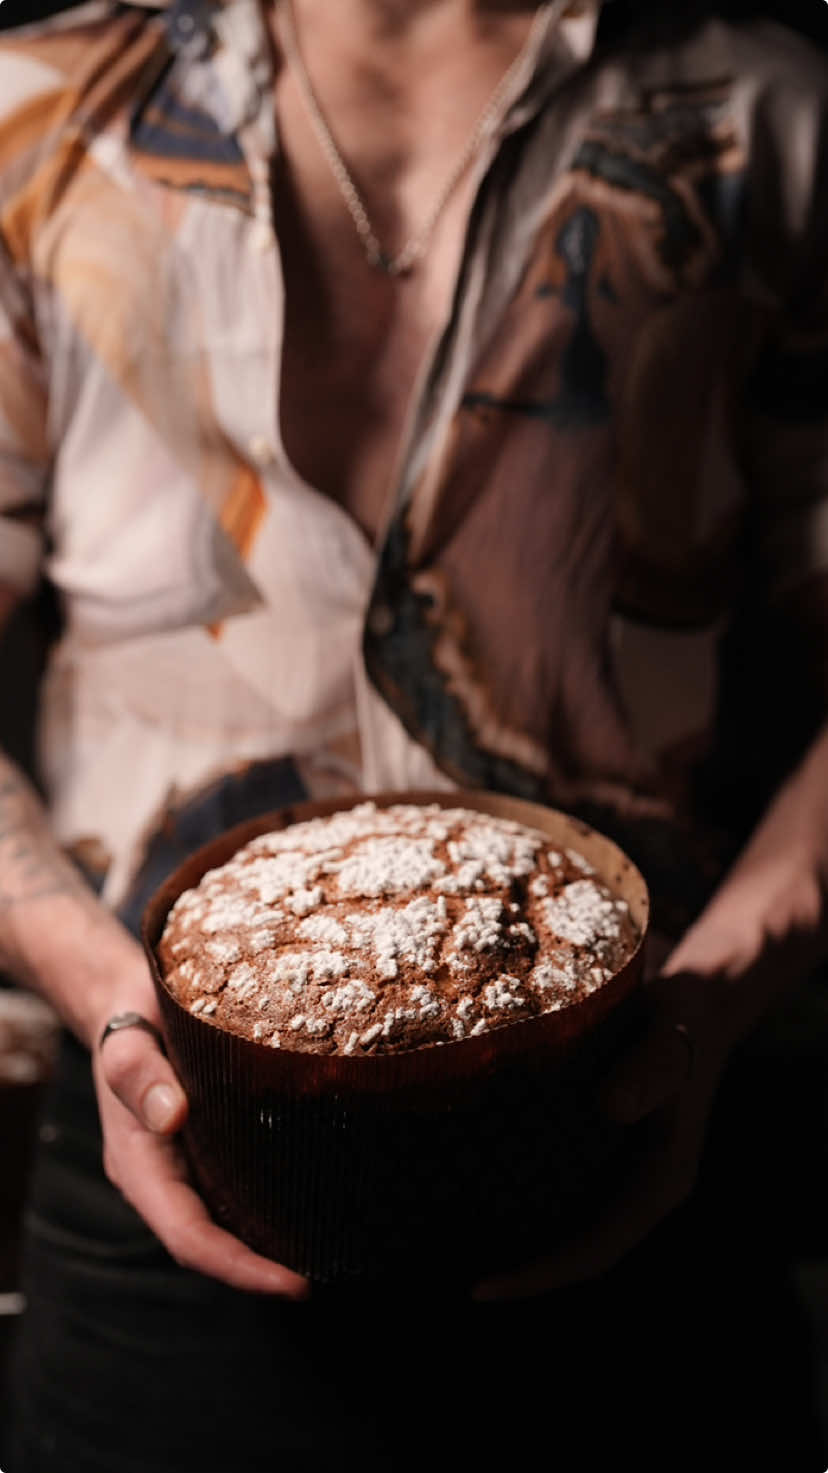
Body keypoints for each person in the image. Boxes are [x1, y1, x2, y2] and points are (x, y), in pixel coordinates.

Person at [0, 0, 827, 1467]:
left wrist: (718, 987)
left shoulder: (764, 115)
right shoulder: (38, 107)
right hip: (163, 1158)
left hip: (634, 1133)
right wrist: (105, 991)